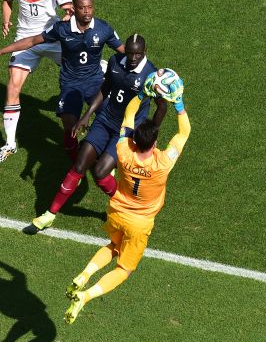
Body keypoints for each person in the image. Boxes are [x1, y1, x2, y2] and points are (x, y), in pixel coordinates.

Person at [63, 75, 190, 324]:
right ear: (154, 144)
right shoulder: (163, 163)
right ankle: (86, 296)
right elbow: (184, 132)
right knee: (124, 269)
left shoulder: (123, 151)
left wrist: (142, 94)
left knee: (112, 246)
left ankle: (85, 274)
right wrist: (178, 103)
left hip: (117, 211)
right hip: (140, 223)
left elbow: (129, 117)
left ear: (134, 140)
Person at [27, 34, 167, 234]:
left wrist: (152, 129)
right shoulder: (116, 61)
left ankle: (127, 209)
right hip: (105, 120)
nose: (133, 57)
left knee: (100, 172)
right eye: (130, 52)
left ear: (145, 52)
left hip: (126, 130)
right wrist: (86, 115)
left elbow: (161, 106)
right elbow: (105, 88)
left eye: (137, 53)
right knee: (80, 164)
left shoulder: (151, 75)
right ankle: (49, 215)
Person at [0, 0, 125, 162]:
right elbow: (32, 41)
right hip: (70, 85)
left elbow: (124, 50)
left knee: (112, 120)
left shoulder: (103, 28)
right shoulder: (61, 29)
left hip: (96, 83)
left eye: (90, 7)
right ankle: (75, 162)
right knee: (70, 129)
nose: (87, 12)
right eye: (82, 8)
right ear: (74, 10)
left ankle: (111, 157)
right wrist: (1, 51)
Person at [0, 0, 73, 163]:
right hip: (25, 40)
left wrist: (67, 18)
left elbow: (69, 8)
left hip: (51, 37)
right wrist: (6, 21)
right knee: (12, 85)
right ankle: (9, 144)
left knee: (81, 69)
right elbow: (7, 0)